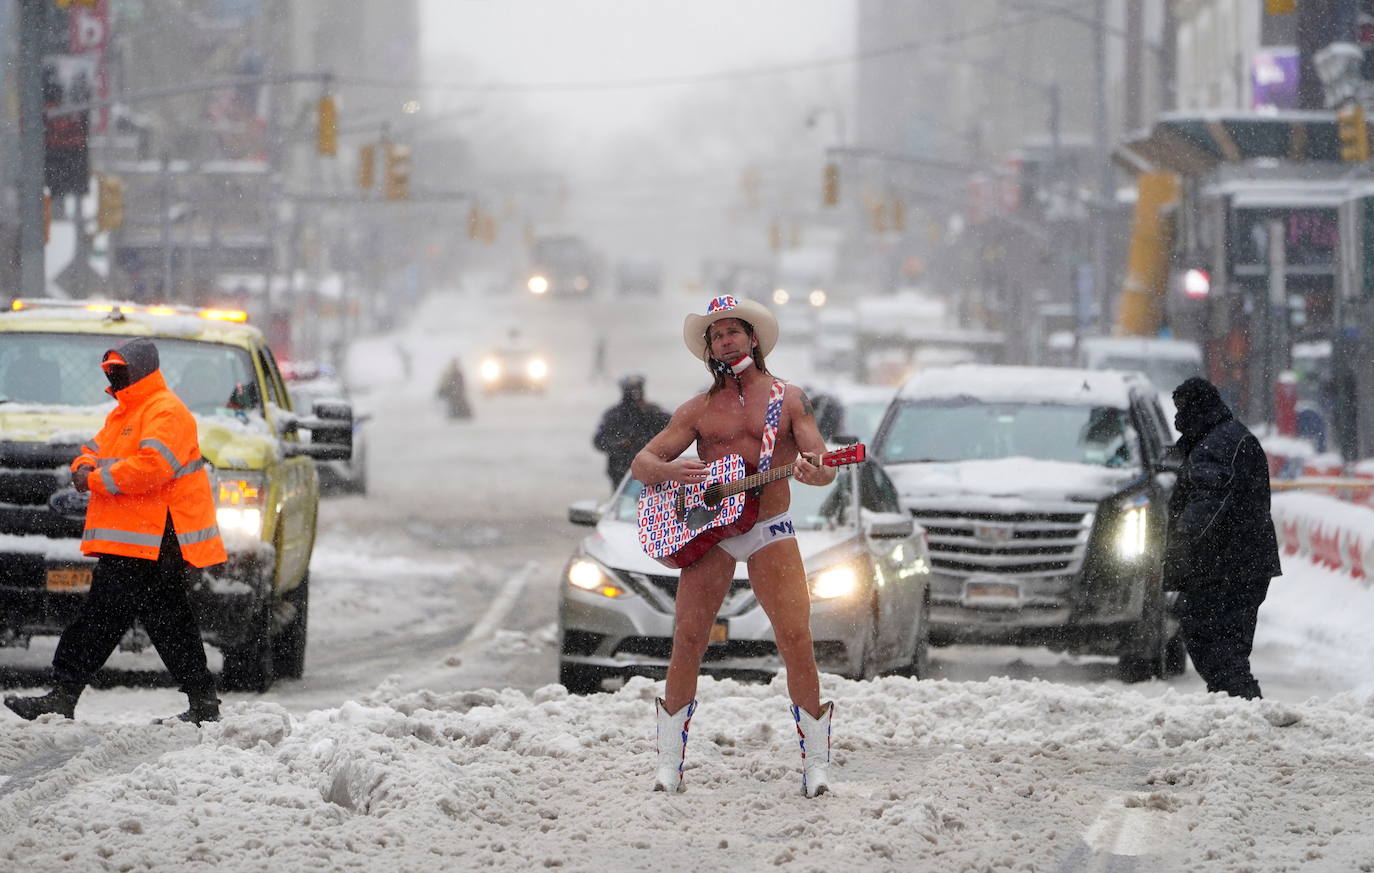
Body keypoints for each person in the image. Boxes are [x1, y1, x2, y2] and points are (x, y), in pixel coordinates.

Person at [630, 295, 836, 798]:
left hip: (770, 527)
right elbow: (642, 462)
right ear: (709, 349)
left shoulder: (788, 398)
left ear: (752, 338)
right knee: (688, 639)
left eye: (732, 331)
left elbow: (823, 464)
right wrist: (669, 469)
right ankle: (669, 763)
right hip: (713, 530)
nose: (725, 339)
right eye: (716, 334)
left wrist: (817, 470)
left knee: (795, 639)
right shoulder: (697, 409)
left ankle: (816, 766)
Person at [3, 338, 228, 725]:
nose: (114, 376)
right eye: (110, 370)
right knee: (164, 618)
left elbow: (154, 467)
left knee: (105, 616)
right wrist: (84, 465)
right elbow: (92, 450)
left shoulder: (166, 412)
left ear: (140, 370)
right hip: (138, 539)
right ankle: (203, 703)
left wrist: (95, 479)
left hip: (154, 537)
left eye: (120, 369)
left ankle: (63, 694)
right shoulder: (124, 414)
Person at [1163, 376, 1282, 700]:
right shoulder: (1221, 438)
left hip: (1229, 567)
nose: (1177, 420)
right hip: (1236, 564)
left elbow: (1207, 504)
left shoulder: (1217, 445)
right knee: (1222, 646)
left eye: (1182, 410)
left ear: (1199, 408)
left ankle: (1243, 707)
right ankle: (1237, 707)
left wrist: (1178, 547)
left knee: (1216, 644)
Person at [592, 374, 670, 490]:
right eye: (632, 390)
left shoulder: (654, 412)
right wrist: (620, 444)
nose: (636, 394)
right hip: (621, 473)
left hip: (652, 473)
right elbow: (598, 441)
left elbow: (675, 431)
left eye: (638, 389)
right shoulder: (613, 415)